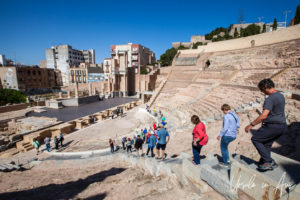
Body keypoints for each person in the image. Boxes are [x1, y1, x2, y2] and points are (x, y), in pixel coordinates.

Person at [245, 79, 287, 171]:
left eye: (261, 90)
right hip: (282, 126)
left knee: (256, 139)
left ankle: (268, 161)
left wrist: (251, 125)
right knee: (267, 144)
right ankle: (264, 161)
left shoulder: (270, 98)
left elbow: (263, 115)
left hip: (273, 126)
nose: (262, 92)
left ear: (265, 88)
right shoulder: (280, 95)